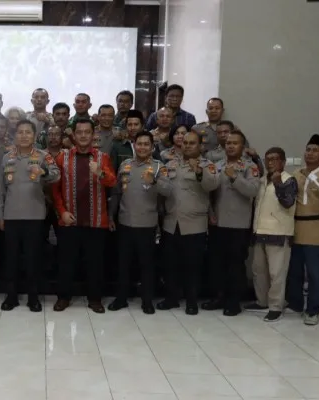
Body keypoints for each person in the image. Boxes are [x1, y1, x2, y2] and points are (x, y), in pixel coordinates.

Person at [52, 118, 116, 314]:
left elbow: (112, 182)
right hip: (69, 220)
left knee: (95, 262)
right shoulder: (62, 157)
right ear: (73, 134)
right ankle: (63, 297)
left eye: (87, 132)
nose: (83, 136)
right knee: (66, 262)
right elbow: (54, 190)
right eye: (79, 132)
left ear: (93, 134)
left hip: (96, 220)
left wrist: (101, 174)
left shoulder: (102, 157)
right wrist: (62, 212)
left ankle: (95, 298)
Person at [0, 120, 60, 311]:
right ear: (15, 136)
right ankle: (11, 296)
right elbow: (1, 190)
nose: (24, 136)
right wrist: (0, 216)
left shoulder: (43, 156)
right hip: (11, 216)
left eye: (28, 132)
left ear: (34, 136)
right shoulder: (7, 158)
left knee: (34, 259)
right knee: (11, 259)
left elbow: (56, 175)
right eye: (20, 132)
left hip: (35, 216)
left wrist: (44, 171)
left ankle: (33, 297)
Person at [107, 131, 171, 314]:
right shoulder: (125, 165)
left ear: (152, 147)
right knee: (123, 264)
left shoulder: (160, 167)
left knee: (147, 265)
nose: (142, 147)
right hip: (125, 222)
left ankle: (147, 301)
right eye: (139, 144)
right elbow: (117, 193)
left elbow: (168, 191)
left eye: (146, 144)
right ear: (134, 146)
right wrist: (111, 216)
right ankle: (121, 299)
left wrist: (155, 181)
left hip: (147, 224)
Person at [158, 131, 219, 315]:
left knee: (193, 266)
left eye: (192, 143)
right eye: (185, 142)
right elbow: (164, 190)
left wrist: (199, 171)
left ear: (200, 146)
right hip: (171, 222)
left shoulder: (207, 165)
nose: (187, 146)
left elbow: (212, 186)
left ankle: (191, 301)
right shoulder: (170, 164)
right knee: (170, 264)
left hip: (194, 224)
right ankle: (171, 298)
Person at [204, 130, 260, 316]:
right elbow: (210, 194)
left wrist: (235, 177)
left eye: (235, 143)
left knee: (235, 265)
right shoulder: (217, 165)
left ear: (242, 147)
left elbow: (252, 190)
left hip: (239, 225)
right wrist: (211, 213)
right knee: (216, 263)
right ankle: (218, 297)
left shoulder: (249, 167)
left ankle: (234, 301)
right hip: (217, 222)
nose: (230, 146)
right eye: (228, 143)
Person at [287, 134, 319, 325]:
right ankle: (296, 305)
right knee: (296, 271)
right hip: (297, 228)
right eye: (308, 149)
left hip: (317, 229)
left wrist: (312, 178)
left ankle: (313, 311)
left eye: (315, 150)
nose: (310, 153)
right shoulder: (296, 174)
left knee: (315, 274)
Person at [245, 147, 297, 322]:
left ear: (283, 162)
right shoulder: (261, 180)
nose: (271, 162)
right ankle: (262, 301)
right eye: (268, 159)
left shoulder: (288, 180)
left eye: (275, 159)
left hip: (279, 232)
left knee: (277, 273)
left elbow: (288, 202)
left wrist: (277, 184)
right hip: (259, 231)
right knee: (259, 271)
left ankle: (276, 306)